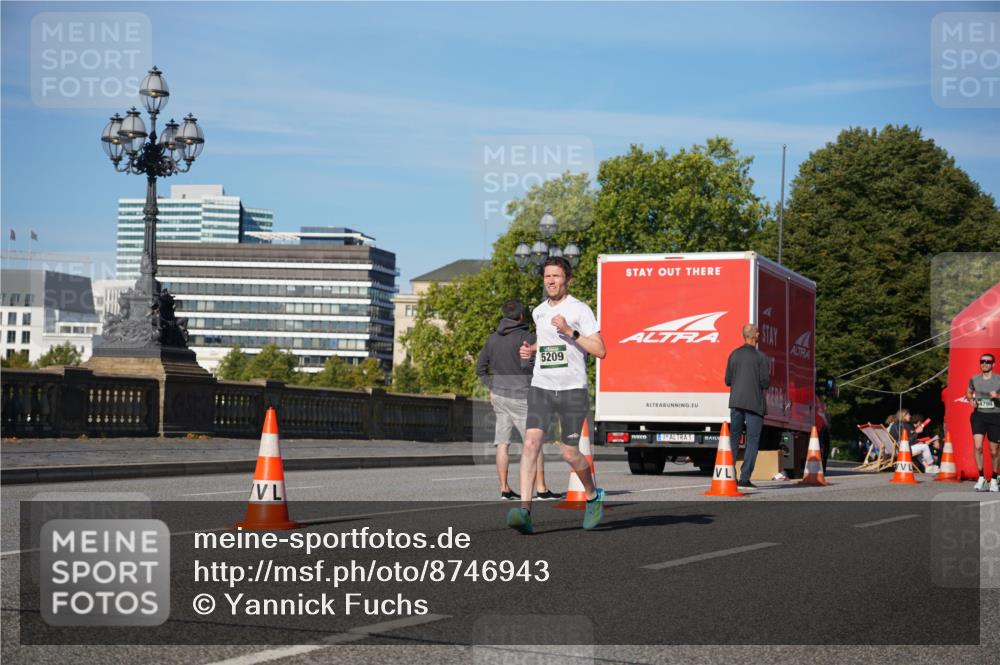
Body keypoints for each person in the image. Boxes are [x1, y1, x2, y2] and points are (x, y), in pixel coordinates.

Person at [507, 256, 607, 534]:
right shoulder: (538, 312)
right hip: (542, 387)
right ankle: (525, 511)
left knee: (570, 454)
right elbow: (550, 345)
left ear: (567, 280)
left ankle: (592, 494)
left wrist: (570, 331)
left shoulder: (580, 310)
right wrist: (533, 349)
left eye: (556, 276)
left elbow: (600, 350)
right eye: (547, 277)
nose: (551, 281)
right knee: (530, 444)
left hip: (572, 390)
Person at [475, 298, 560, 501]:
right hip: (522, 396)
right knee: (533, 443)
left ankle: (504, 488)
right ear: (522, 316)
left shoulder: (492, 339)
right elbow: (527, 367)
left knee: (502, 442)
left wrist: (492, 385)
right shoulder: (527, 337)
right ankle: (541, 489)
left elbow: (480, 368)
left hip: (499, 396)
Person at [724, 323, 770, 489]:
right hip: (754, 404)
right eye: (757, 332)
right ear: (752, 336)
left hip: (735, 403)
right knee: (752, 441)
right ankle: (745, 478)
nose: (759, 334)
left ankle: (729, 475)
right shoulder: (761, 358)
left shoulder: (734, 355)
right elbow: (765, 382)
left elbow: (728, 380)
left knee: (734, 439)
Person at [967, 352, 1000, 492]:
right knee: (978, 446)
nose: (984, 364)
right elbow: (968, 392)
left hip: (995, 416)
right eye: (982, 361)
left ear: (993, 364)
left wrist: (997, 396)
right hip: (979, 415)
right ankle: (981, 477)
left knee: (994, 450)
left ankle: (994, 478)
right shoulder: (974, 379)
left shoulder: (999, 379)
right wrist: (971, 399)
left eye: (987, 362)